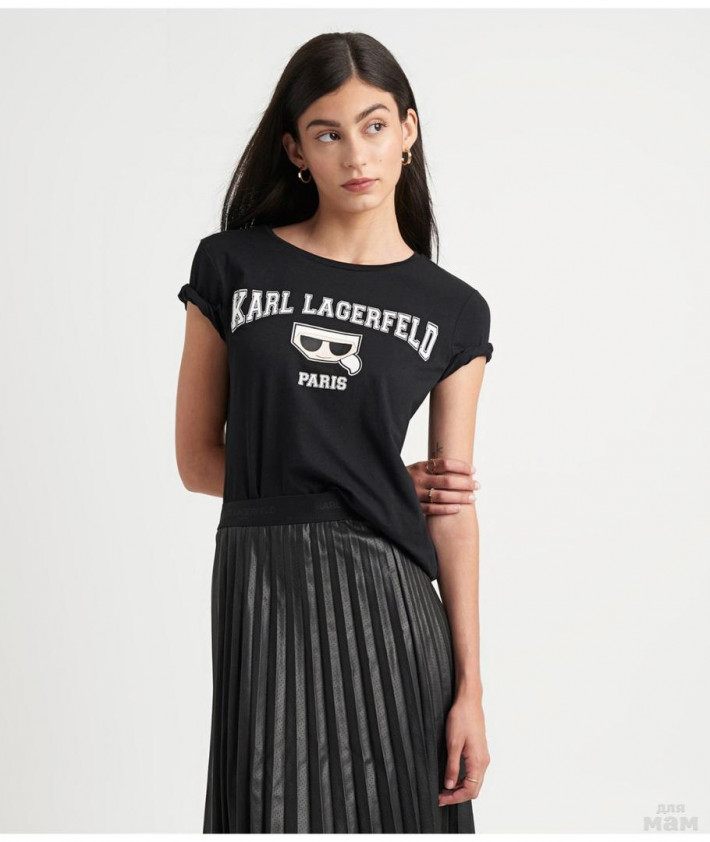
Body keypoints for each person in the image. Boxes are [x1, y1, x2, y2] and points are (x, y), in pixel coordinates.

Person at [175, 31, 493, 834]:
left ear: (408, 131)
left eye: (375, 125)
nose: (356, 154)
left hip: (393, 609)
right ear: (295, 150)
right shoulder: (231, 267)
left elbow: (451, 508)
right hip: (262, 592)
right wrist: (363, 474)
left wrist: (471, 690)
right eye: (328, 133)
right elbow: (197, 460)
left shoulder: (454, 310)